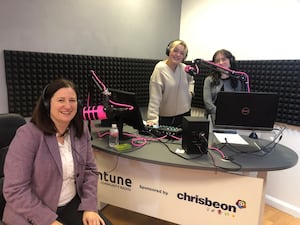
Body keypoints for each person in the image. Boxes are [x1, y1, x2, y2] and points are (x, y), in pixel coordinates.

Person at [3, 79, 112, 225]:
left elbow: (90, 170)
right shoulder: (28, 135)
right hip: (32, 210)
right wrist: (49, 221)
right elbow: (15, 189)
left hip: (69, 204)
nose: (67, 106)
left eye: (72, 100)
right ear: (47, 104)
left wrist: (90, 207)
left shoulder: (80, 130)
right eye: (61, 100)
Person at [146, 40, 195, 127]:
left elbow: (191, 80)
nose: (178, 55)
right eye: (175, 51)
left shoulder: (184, 68)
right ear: (169, 51)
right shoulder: (160, 69)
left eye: (182, 53)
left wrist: (190, 93)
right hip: (167, 118)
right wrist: (152, 119)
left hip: (185, 115)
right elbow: (155, 98)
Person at [203, 49, 247, 122]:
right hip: (213, 117)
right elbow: (207, 102)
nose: (220, 63)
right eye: (217, 61)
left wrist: (231, 113)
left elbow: (240, 101)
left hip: (233, 117)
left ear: (230, 61)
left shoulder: (238, 80)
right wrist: (220, 113)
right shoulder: (209, 80)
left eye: (224, 59)